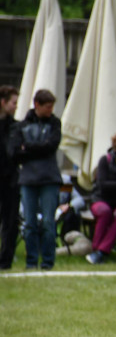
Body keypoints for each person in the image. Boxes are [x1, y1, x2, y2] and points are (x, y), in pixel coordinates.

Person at [10, 89, 62, 270]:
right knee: (29, 222)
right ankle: (31, 261)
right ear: (37, 105)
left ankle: (47, 261)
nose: (50, 110)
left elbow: (51, 146)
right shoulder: (22, 125)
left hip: (49, 178)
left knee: (48, 221)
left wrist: (28, 147)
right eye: (47, 106)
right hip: (28, 179)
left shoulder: (55, 123)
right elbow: (16, 152)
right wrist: (39, 148)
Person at [86, 130, 116, 264]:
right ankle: (96, 248)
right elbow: (103, 185)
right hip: (101, 199)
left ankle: (101, 252)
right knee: (105, 212)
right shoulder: (105, 160)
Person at [0, 85, 19, 270]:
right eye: (13, 103)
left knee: (11, 221)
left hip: (10, 179)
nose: (16, 106)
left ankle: (5, 260)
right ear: (3, 102)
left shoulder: (15, 126)